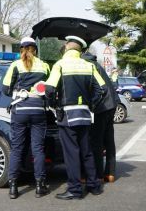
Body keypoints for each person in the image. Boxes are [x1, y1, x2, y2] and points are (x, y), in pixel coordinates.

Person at [45, 35, 107, 200]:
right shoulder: (89, 66)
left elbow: (49, 89)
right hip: (85, 115)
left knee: (72, 153)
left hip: (67, 115)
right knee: (86, 151)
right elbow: (102, 90)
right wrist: (90, 104)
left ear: (66, 47)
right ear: (80, 50)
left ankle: (75, 189)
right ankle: (94, 186)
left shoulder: (60, 65)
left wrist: (53, 105)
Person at [2, 37, 51, 199]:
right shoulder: (44, 65)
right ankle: (40, 186)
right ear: (35, 50)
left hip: (20, 111)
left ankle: (13, 187)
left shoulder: (15, 65)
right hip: (38, 111)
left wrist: (17, 92)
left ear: (21, 49)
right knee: (37, 149)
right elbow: (50, 89)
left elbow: (5, 89)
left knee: (17, 148)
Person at [81, 51, 119, 183]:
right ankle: (110, 173)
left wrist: (91, 105)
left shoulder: (87, 65)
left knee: (96, 140)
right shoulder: (96, 64)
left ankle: (97, 174)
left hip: (102, 106)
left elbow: (96, 88)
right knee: (109, 139)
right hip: (112, 104)